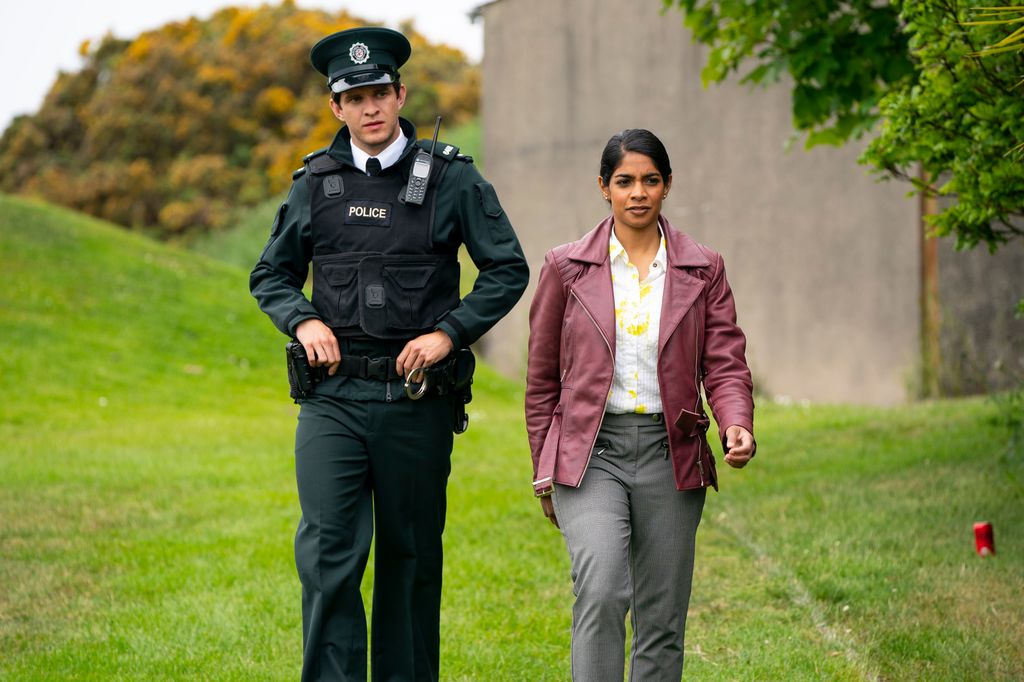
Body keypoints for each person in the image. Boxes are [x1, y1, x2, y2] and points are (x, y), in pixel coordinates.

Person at [250, 27, 529, 682]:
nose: (371, 107)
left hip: (416, 402)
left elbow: (507, 269)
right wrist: (303, 320)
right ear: (336, 108)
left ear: (400, 94)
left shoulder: (452, 179)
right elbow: (271, 275)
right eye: (356, 97)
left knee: (409, 561)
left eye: (381, 92)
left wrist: (449, 333)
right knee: (328, 559)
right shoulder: (314, 185)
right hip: (333, 402)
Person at [524, 129, 755, 681]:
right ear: (603, 188)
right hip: (589, 453)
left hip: (671, 455)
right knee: (602, 589)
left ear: (667, 185)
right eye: (624, 181)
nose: (638, 193)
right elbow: (541, 381)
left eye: (650, 180)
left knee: (662, 617)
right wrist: (543, 467)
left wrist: (736, 423)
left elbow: (724, 361)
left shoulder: (703, 268)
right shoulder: (564, 268)